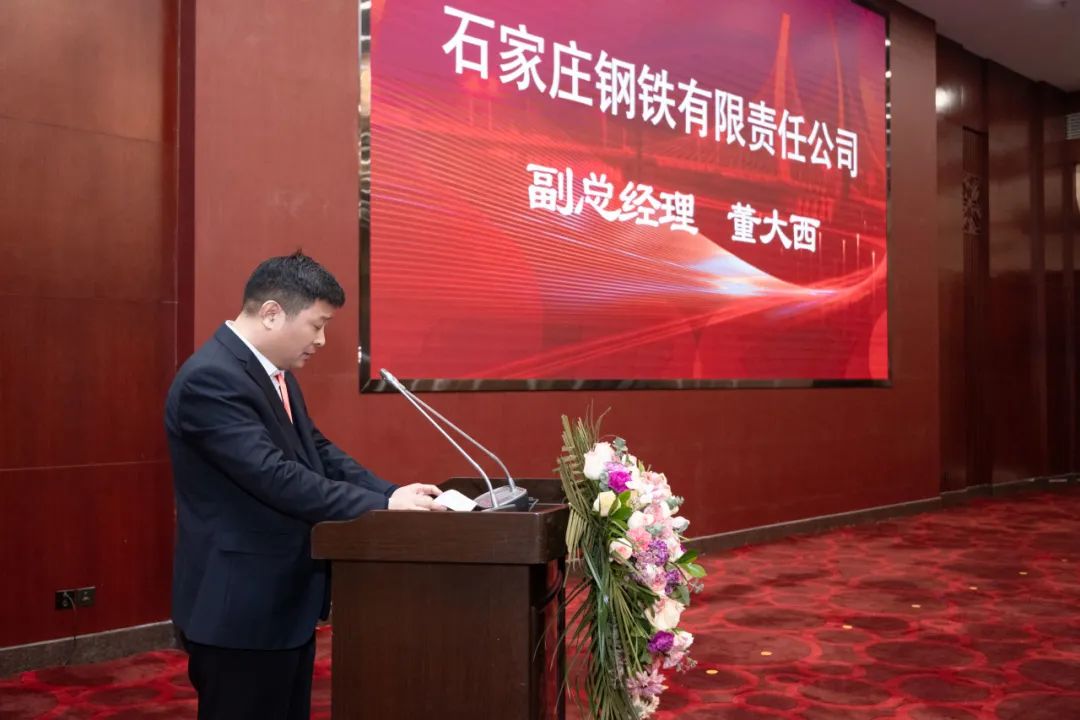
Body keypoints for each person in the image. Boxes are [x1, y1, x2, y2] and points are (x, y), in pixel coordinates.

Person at [164, 251, 444, 720]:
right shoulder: (211, 379)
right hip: (239, 609)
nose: (321, 340)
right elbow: (275, 476)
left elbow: (317, 451)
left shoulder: (272, 373)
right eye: (317, 325)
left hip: (280, 604)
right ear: (272, 313)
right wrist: (381, 505)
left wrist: (391, 493)